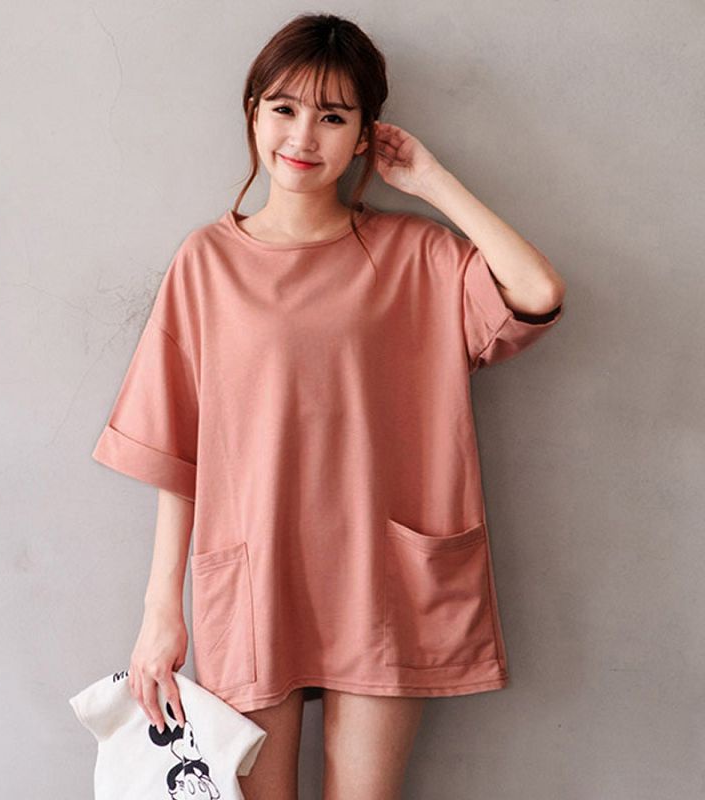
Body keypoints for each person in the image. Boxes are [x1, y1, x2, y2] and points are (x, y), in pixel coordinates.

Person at [90, 12, 566, 800]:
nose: (303, 136)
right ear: (253, 114)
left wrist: (431, 180)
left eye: (334, 116)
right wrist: (159, 612)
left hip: (383, 579)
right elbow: (177, 452)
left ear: (364, 135)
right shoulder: (207, 262)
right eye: (283, 108)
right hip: (256, 577)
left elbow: (538, 291)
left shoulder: (416, 254)